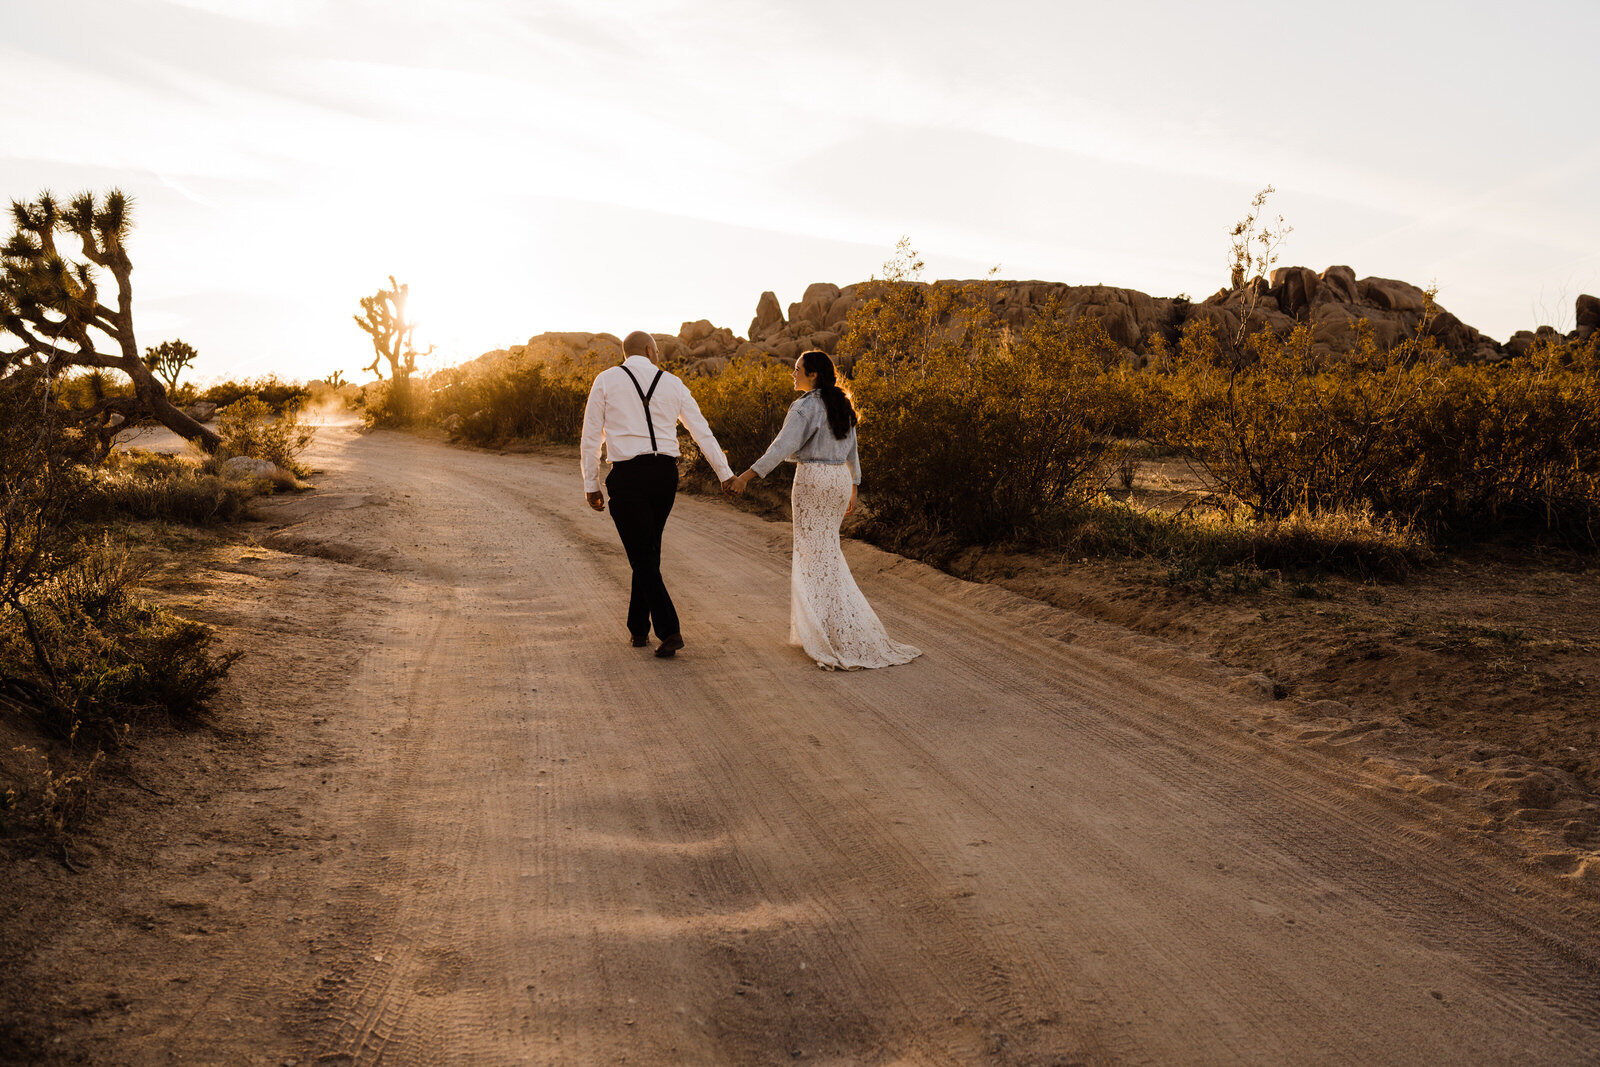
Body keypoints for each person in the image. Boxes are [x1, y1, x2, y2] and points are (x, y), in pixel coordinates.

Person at [729, 351, 921, 671]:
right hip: (839, 480)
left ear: (814, 374)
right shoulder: (841, 403)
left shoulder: (804, 407)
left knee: (812, 554)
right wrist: (854, 485)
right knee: (827, 552)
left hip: (814, 479)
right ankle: (837, 625)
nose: (793, 374)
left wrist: (747, 477)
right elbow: (853, 449)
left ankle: (826, 632)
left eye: (797, 369)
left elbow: (781, 447)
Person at [581, 331, 735, 657]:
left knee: (642, 554)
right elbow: (700, 430)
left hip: (628, 474)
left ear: (628, 353)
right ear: (651, 350)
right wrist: (724, 473)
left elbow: (591, 435)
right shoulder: (673, 383)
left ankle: (669, 629)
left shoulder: (606, 380)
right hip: (665, 475)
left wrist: (591, 483)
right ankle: (638, 628)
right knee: (647, 550)